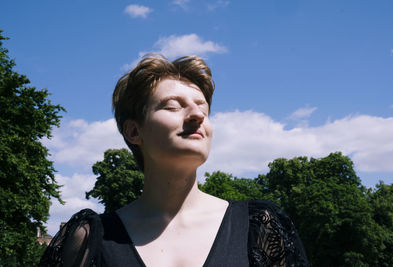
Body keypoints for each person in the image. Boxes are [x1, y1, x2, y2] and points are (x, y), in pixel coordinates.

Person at [40, 54, 309, 267]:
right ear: (134, 131)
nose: (197, 115)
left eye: (202, 106)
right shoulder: (89, 240)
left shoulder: (260, 227)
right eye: (172, 106)